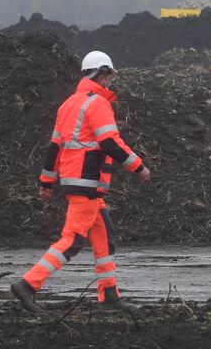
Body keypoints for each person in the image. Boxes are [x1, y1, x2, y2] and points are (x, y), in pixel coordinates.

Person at [12, 51, 152, 314]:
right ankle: (29, 284)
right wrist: (138, 167)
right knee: (73, 239)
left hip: (79, 183)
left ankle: (109, 295)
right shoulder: (98, 104)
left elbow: (54, 147)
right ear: (101, 74)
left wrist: (46, 182)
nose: (111, 81)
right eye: (109, 76)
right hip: (86, 182)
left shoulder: (68, 104)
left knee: (105, 238)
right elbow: (110, 142)